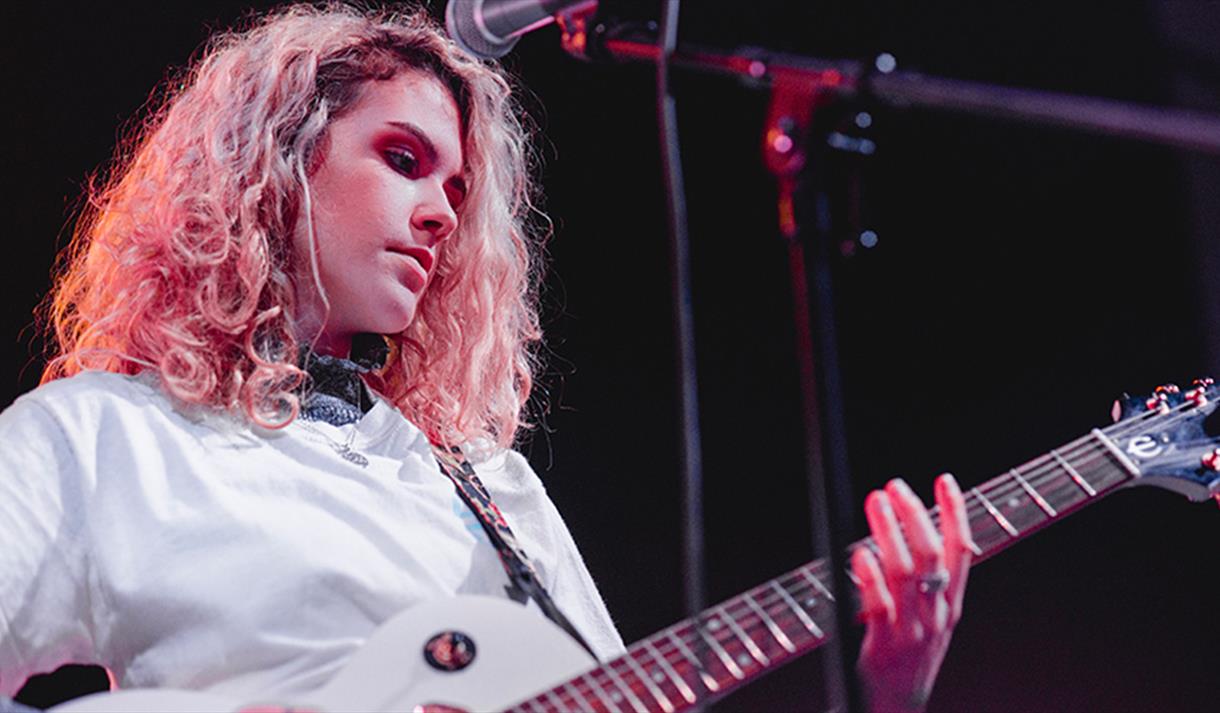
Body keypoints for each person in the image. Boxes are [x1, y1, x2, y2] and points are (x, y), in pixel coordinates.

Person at [0, 4, 973, 711]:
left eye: (457, 189)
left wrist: (887, 691)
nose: (438, 213)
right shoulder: (99, 435)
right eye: (403, 159)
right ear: (277, 160)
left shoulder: (483, 486)